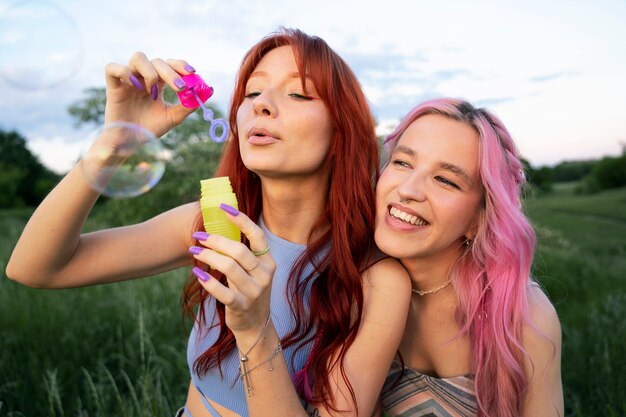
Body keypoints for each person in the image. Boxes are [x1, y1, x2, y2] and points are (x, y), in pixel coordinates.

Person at [6, 28, 411, 417]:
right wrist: (114, 143)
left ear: (342, 129)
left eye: (298, 92)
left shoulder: (375, 280)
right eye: (252, 91)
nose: (261, 104)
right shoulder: (211, 226)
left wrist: (255, 330)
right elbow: (34, 267)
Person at [374, 98, 563, 417]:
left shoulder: (525, 317)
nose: (408, 189)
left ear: (479, 219)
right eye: (403, 162)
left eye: (446, 180)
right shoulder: (352, 286)